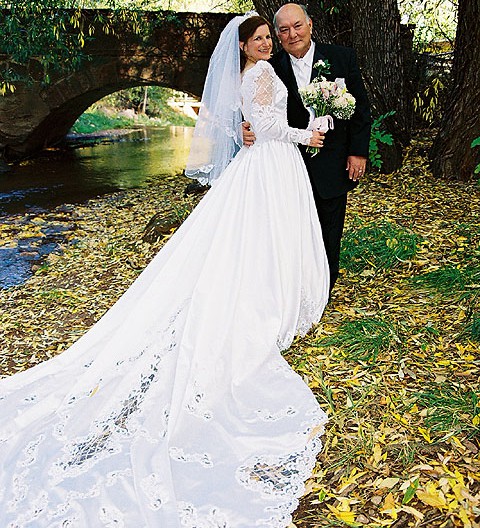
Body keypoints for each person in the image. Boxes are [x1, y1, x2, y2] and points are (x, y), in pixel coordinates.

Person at [0, 13, 329, 528]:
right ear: (243, 46)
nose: (268, 44)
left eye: (270, 37)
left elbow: (244, 124)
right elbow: (267, 128)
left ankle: (273, 291)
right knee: (267, 236)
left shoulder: (249, 75)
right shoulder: (262, 73)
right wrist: (311, 131)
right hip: (273, 162)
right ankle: (274, 298)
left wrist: (280, 129)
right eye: (260, 38)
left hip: (262, 164)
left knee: (256, 238)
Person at [243, 3, 371, 290]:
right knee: (291, 229)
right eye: (284, 30)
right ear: (277, 34)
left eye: (297, 26)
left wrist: (358, 152)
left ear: (310, 24)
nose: (292, 34)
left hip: (333, 161)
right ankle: (294, 288)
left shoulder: (341, 58)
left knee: (329, 227)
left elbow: (361, 109)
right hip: (287, 164)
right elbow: (257, 110)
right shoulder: (269, 67)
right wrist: (244, 126)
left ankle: (325, 286)